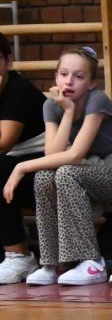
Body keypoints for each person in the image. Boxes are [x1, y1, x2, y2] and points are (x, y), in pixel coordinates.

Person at [2, 46, 112, 286]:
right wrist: (68, 112)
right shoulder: (52, 105)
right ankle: (51, 264)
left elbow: (74, 155)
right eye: (63, 74)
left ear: (92, 83)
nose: (69, 81)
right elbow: (53, 152)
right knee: (44, 177)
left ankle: (91, 262)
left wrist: (20, 168)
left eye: (79, 76)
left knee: (67, 173)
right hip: (88, 170)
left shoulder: (97, 100)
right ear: (56, 77)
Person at [0, 41, 50, 284]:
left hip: (48, 174)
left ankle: (19, 255)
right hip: (19, 169)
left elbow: (3, 143)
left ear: (8, 61)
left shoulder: (17, 90)